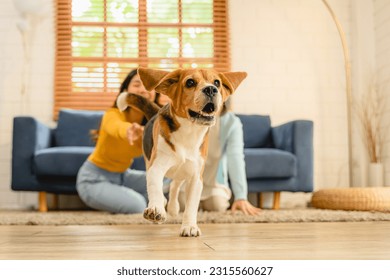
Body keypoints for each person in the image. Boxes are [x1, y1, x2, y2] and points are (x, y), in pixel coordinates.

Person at [157, 95, 261, 215]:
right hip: (185, 178)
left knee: (217, 205)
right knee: (182, 204)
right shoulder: (187, 116)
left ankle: (216, 199)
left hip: (213, 182)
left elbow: (236, 158)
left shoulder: (232, 123)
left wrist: (241, 196)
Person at [76, 69, 156, 214]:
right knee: (138, 205)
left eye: (149, 86)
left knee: (167, 182)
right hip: (93, 179)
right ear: (125, 91)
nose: (143, 90)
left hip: (123, 176)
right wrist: (129, 130)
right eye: (137, 84)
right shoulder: (112, 114)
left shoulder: (154, 124)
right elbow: (117, 127)